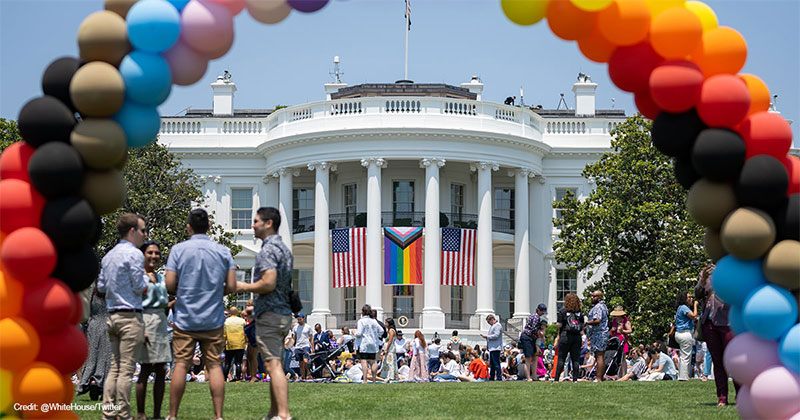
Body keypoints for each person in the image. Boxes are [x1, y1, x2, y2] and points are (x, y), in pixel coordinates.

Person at [165, 208, 237, 420]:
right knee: (214, 366)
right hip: (213, 317)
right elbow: (232, 285)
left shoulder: (178, 250)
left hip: (185, 318)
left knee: (181, 364)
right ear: (209, 227)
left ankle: (172, 415)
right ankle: (218, 416)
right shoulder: (223, 251)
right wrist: (215, 293)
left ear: (188, 227)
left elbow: (169, 283)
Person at [234, 206, 295, 419]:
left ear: (268, 223)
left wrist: (242, 286)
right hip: (282, 313)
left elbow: (268, 283)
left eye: (256, 221)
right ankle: (273, 412)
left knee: (273, 365)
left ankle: (283, 414)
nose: (252, 225)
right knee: (274, 364)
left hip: (270, 315)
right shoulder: (284, 249)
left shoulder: (268, 250)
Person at [97, 213, 149, 420]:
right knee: (126, 370)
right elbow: (139, 286)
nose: (145, 234)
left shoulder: (108, 256)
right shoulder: (135, 254)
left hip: (112, 316)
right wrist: (147, 278)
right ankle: (124, 414)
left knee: (114, 368)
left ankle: (108, 412)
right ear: (132, 231)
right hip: (130, 316)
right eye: (143, 230)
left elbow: (101, 287)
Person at [135, 240, 171, 420]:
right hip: (146, 320)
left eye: (157, 253)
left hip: (161, 322)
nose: (154, 256)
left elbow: (163, 303)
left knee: (162, 368)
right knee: (146, 367)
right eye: (150, 252)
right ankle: (141, 413)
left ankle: (157, 414)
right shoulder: (138, 277)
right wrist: (141, 328)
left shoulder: (161, 278)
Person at [696, 264, 739, 406]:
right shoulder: (706, 273)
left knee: (733, 360)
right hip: (709, 323)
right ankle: (722, 397)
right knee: (717, 361)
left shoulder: (731, 272)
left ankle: (740, 395)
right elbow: (697, 294)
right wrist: (702, 281)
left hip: (727, 321)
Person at [76, 283, 111, 401]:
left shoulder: (91, 290)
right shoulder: (112, 289)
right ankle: (103, 384)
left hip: (93, 324)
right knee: (105, 358)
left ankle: (91, 380)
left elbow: (86, 308)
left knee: (92, 357)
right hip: (108, 324)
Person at [353, 304, 382, 383]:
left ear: (363, 312)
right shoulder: (373, 321)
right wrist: (376, 336)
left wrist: (354, 333)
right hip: (373, 343)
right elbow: (381, 330)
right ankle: (374, 380)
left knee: (364, 361)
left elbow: (359, 333)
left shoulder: (361, 321)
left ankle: (365, 379)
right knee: (373, 361)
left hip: (364, 343)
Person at [674, 290, 699, 381]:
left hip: (679, 333)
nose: (691, 299)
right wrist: (695, 305)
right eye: (689, 297)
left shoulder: (680, 308)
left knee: (683, 356)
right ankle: (683, 377)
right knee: (686, 356)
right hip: (684, 333)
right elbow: (694, 316)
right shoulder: (684, 307)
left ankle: (683, 375)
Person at [585, 290, 609, 381]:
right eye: (591, 296)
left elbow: (598, 320)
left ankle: (598, 378)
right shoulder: (603, 306)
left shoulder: (598, 307)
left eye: (594, 296)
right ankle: (600, 377)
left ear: (599, 298)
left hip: (599, 333)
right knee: (599, 355)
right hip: (600, 333)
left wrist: (586, 323)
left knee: (599, 355)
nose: (591, 298)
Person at [520, 303, 546, 381]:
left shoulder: (535, 316)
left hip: (532, 338)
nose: (543, 313)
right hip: (527, 337)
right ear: (538, 310)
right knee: (528, 358)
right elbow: (534, 329)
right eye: (542, 311)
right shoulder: (536, 316)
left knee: (535, 357)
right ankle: (528, 377)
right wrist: (541, 334)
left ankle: (534, 376)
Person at [223, 306, 247, 381]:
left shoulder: (226, 321)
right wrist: (246, 341)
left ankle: (224, 379)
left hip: (229, 344)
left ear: (230, 313)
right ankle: (238, 378)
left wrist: (223, 343)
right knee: (238, 362)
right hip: (240, 344)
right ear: (237, 312)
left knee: (227, 363)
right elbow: (245, 333)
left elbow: (224, 334)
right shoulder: (242, 321)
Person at [609, 305, 632, 377]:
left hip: (622, 340)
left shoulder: (626, 320)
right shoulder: (613, 321)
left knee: (623, 358)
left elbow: (630, 330)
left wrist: (623, 331)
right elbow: (610, 332)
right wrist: (611, 330)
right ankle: (617, 374)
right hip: (614, 340)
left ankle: (624, 374)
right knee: (615, 358)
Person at [480, 314, 503, 381]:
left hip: (495, 347)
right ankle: (492, 377)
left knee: (496, 363)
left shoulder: (497, 325)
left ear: (492, 319)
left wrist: (487, 336)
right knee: (492, 364)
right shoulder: (493, 326)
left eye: (488, 322)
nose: (489, 323)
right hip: (492, 347)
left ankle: (499, 377)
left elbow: (496, 335)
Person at [291, 314, 314, 380]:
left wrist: (313, 348)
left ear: (303, 319)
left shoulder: (308, 327)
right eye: (298, 319)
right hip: (298, 346)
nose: (299, 320)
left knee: (305, 361)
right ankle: (303, 376)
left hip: (306, 346)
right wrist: (291, 345)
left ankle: (308, 373)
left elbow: (311, 338)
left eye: (300, 319)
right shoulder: (295, 328)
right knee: (300, 363)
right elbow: (294, 338)